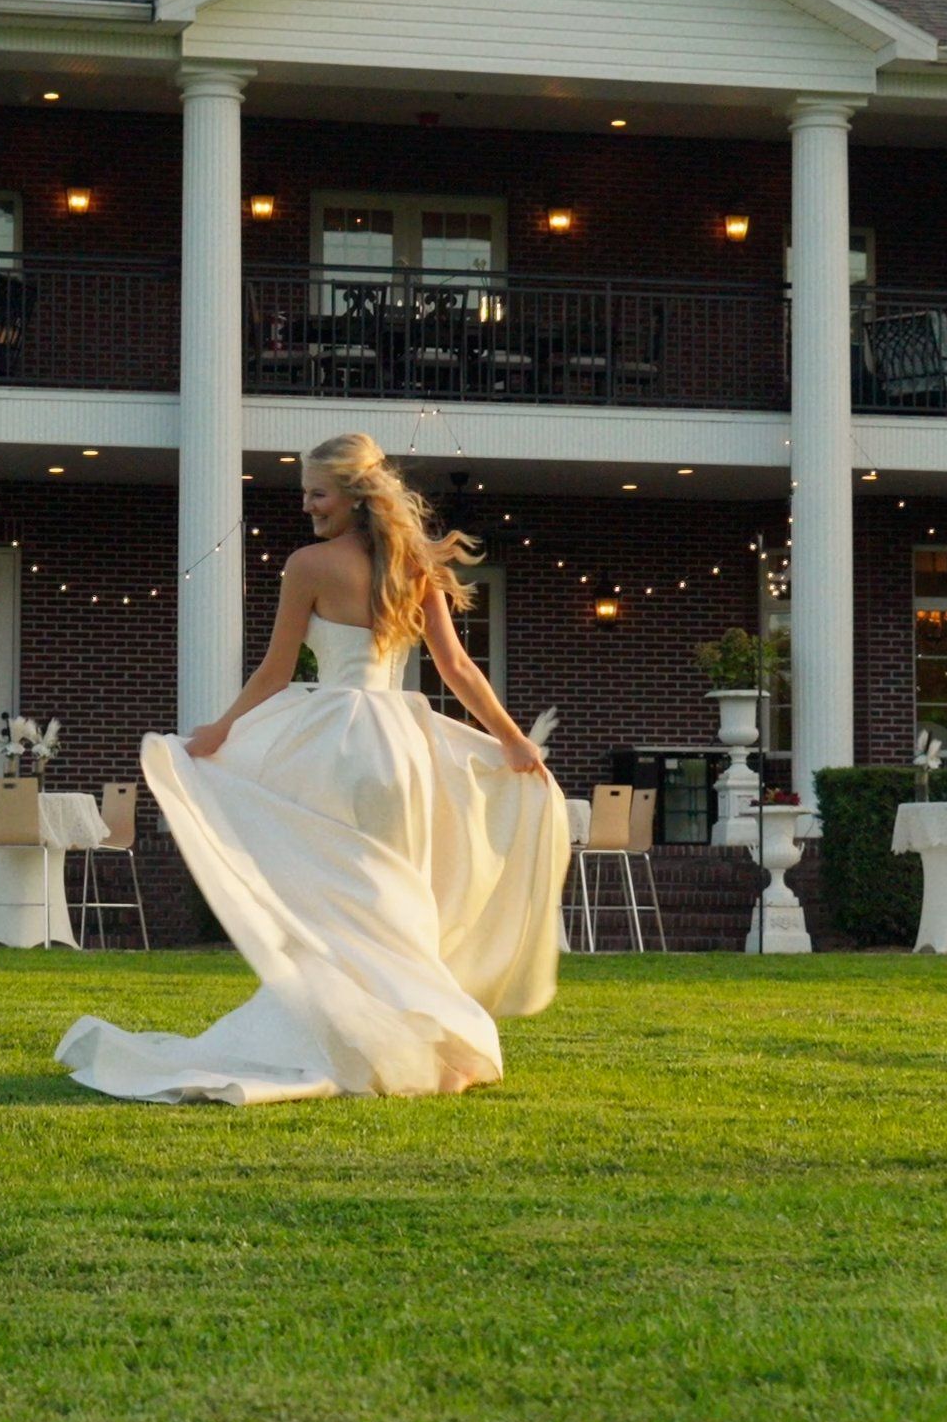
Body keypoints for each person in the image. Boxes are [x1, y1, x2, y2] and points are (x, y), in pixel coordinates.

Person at [56, 434, 569, 1105]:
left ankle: (365, 1043)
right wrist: (512, 739)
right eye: (305, 493)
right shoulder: (413, 565)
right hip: (401, 750)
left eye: (317, 493)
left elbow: (276, 672)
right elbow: (457, 668)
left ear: (354, 496)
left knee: (337, 901)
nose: (306, 506)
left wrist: (220, 730)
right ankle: (429, 1046)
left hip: (335, 744)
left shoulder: (307, 566)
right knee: (394, 898)